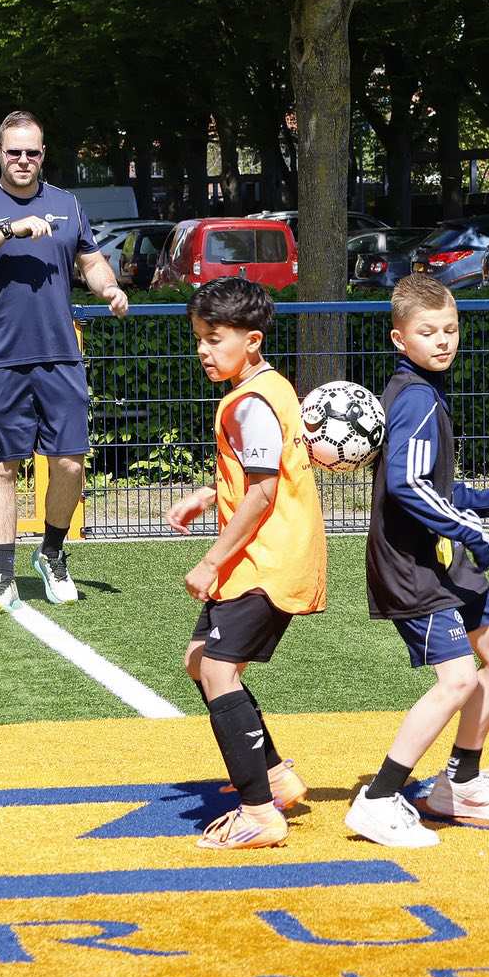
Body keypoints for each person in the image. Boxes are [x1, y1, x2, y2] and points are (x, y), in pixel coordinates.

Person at [348, 274, 489, 848]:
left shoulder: (419, 389)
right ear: (399, 339)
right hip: (412, 563)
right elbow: (403, 484)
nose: (443, 341)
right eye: (428, 332)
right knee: (455, 680)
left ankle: (461, 782)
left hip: (439, 554)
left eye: (450, 329)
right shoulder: (418, 398)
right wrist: (471, 529)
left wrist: (479, 500)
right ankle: (378, 798)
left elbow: (426, 482)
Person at [0, 110, 129, 612]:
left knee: (69, 462)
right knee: (2, 467)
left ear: (44, 154)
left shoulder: (67, 203)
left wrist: (108, 285)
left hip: (60, 356)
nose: (24, 160)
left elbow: (88, 257)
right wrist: (8, 229)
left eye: (33, 152)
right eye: (15, 151)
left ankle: (51, 554)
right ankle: (2, 576)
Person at [165, 278, 327, 849]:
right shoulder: (270, 387)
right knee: (198, 661)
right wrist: (208, 495)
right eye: (199, 339)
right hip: (263, 557)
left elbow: (262, 492)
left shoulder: (249, 402)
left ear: (251, 340)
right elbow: (260, 474)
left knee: (217, 672)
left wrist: (210, 562)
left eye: (214, 339)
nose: (203, 350)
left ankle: (260, 813)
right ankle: (277, 776)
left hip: (266, 560)